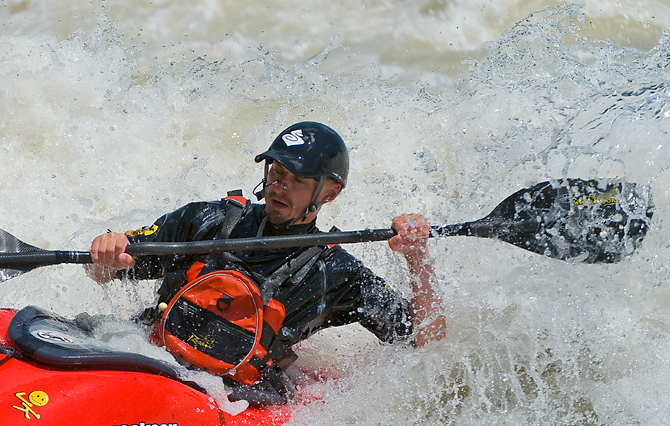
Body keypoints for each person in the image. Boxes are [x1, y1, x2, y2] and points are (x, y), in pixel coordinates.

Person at [86, 121, 445, 401]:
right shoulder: (206, 220)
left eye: (297, 181)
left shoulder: (334, 272)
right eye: (276, 173)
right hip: (147, 354)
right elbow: (102, 272)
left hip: (229, 397)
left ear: (330, 193)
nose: (279, 187)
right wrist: (106, 252)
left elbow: (425, 340)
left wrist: (417, 257)